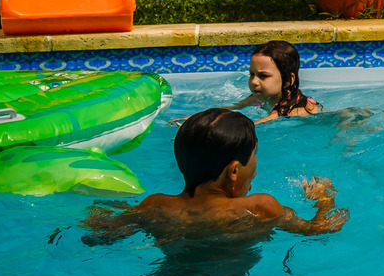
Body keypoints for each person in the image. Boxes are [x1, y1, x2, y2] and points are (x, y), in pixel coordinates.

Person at [83, 108, 349, 241]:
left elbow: (100, 234)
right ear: (234, 171)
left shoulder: (155, 206)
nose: (256, 166)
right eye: (254, 156)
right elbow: (320, 229)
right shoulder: (259, 207)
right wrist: (324, 199)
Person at [168, 40, 323, 126]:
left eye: (263, 76)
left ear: (288, 80)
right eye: (252, 74)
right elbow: (232, 108)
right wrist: (197, 119)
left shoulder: (287, 110)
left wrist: (202, 133)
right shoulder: (259, 97)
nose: (254, 81)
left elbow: (251, 128)